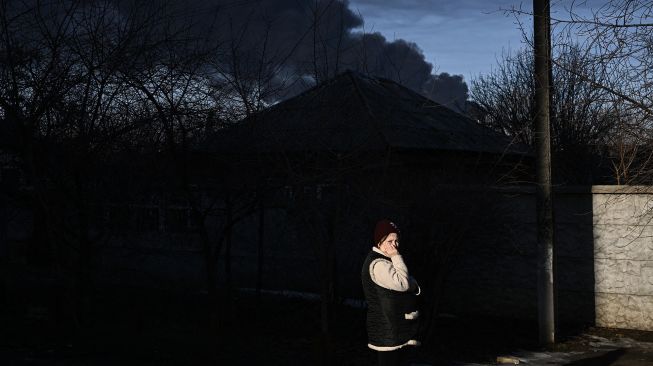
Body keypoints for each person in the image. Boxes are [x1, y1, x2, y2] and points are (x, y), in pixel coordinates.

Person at [361, 219, 421, 366]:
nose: (394, 245)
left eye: (396, 241)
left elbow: (406, 281)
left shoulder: (384, 260)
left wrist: (411, 284)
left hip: (392, 328)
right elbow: (404, 283)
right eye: (390, 241)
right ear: (379, 242)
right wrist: (396, 257)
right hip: (387, 330)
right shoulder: (379, 264)